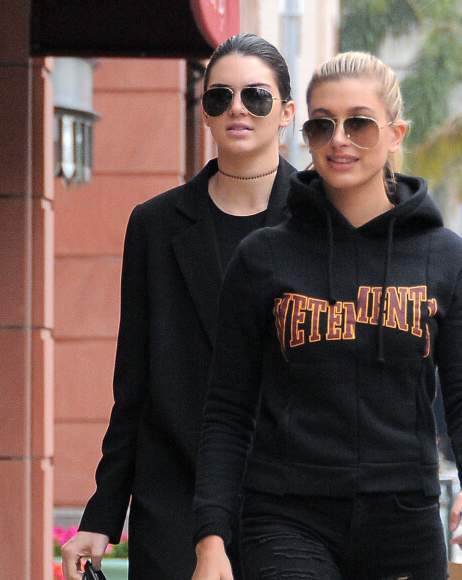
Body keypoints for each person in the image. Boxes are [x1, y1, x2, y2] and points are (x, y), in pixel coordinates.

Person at [191, 51, 462, 580]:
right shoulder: (263, 257)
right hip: (285, 515)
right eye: (321, 125)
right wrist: (211, 539)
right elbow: (228, 408)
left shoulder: (447, 258)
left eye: (358, 123)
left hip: (403, 517)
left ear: (395, 133)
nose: (339, 139)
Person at [60, 33, 296, 580]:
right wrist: (102, 514)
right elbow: (133, 384)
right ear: (205, 114)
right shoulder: (156, 225)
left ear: (285, 112)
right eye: (220, 97)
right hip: (175, 506)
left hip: (290, 508)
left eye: (256, 97)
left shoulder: (320, 224)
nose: (237, 108)